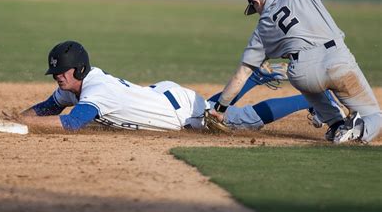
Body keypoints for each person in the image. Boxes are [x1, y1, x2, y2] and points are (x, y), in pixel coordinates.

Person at [208, 0, 382, 144]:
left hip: (302, 74)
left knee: (310, 89)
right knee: (375, 116)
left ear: (256, 3)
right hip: (336, 61)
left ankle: (337, 126)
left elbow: (241, 75)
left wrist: (220, 110)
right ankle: (356, 129)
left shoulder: (261, 29)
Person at [17, 40, 337, 133]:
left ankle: (312, 99)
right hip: (165, 95)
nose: (58, 77)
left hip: (179, 112)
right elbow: (49, 108)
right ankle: (253, 77)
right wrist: (19, 116)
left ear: (80, 70)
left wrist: (23, 125)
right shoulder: (76, 84)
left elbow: (72, 123)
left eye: (62, 73)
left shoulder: (97, 90)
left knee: (240, 121)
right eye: (55, 74)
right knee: (211, 108)